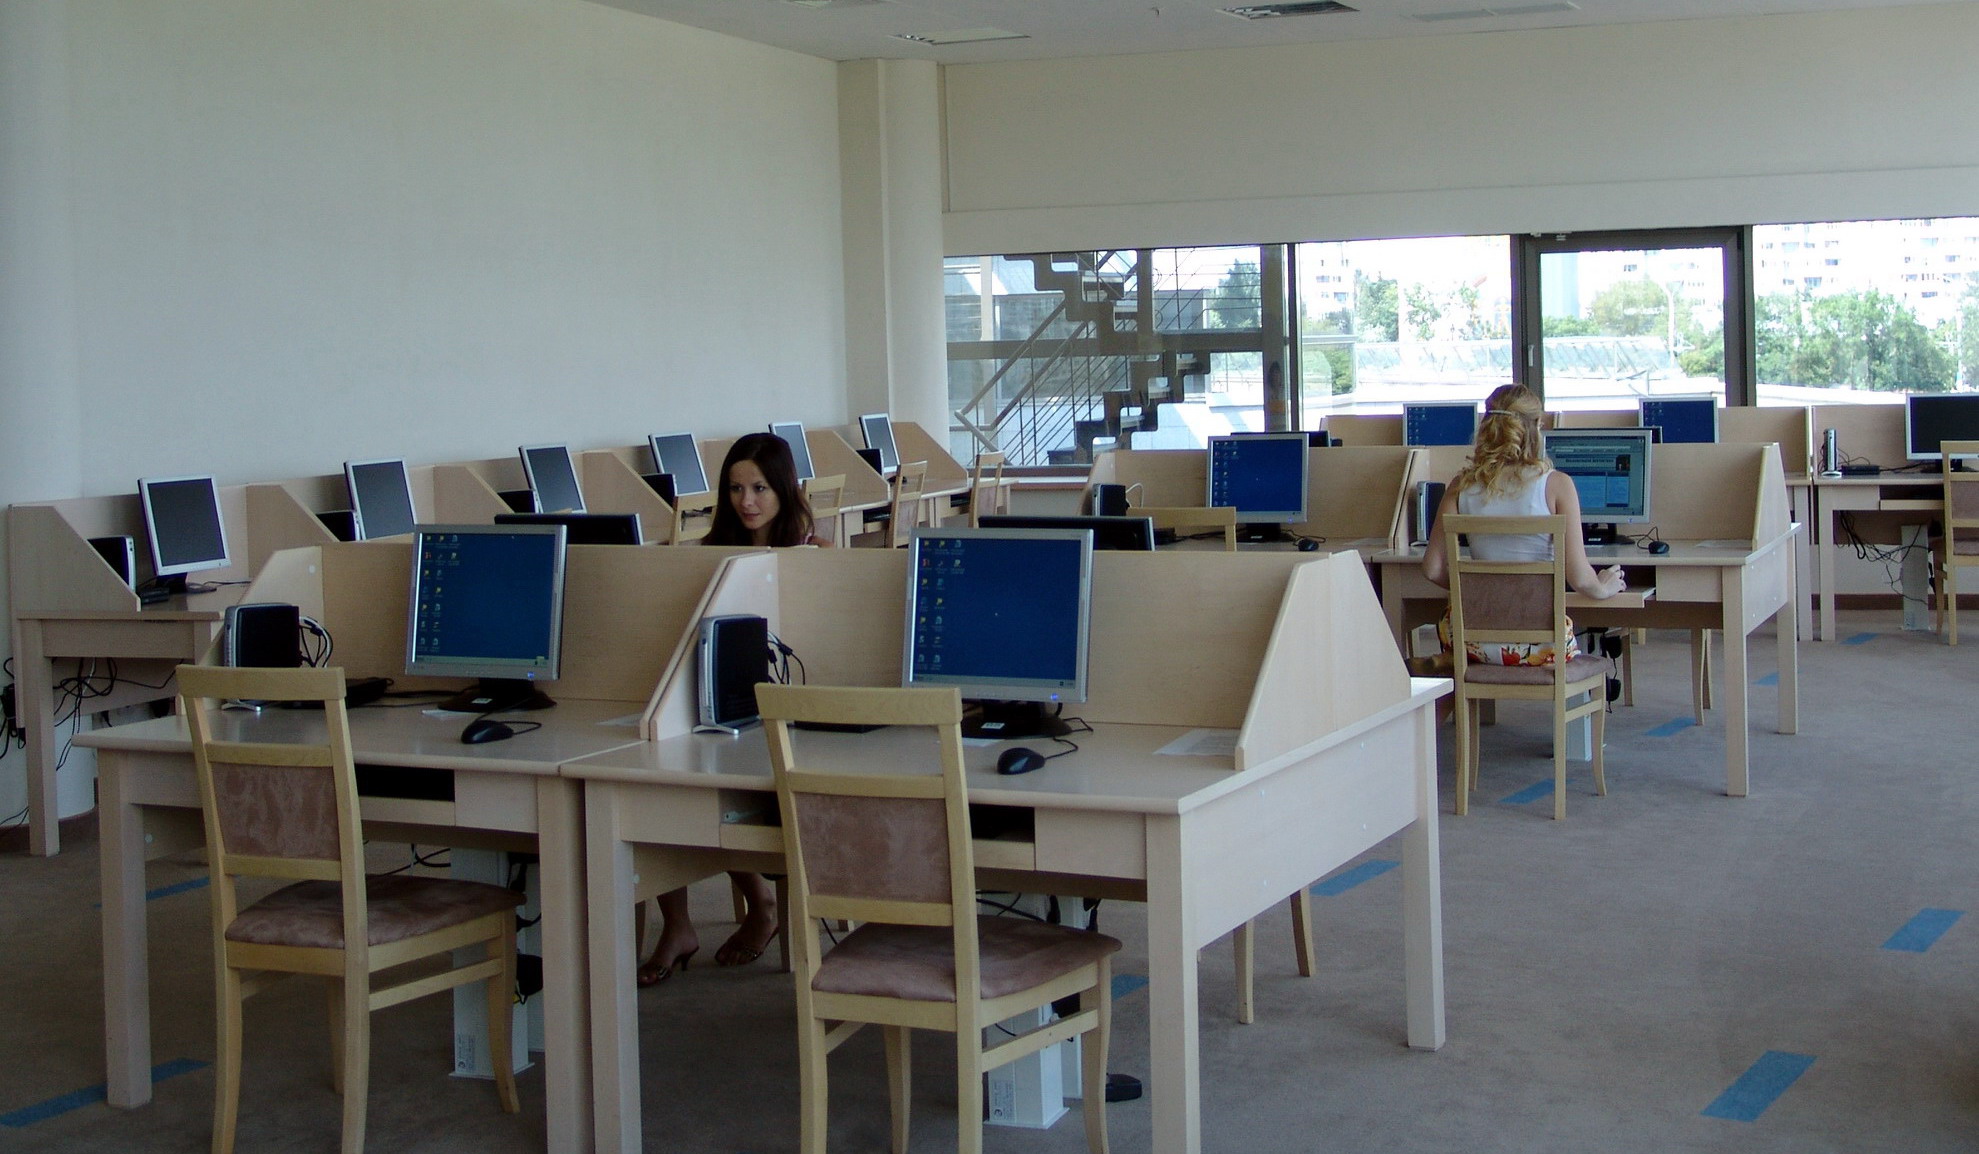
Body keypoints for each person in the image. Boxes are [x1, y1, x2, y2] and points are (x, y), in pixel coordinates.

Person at [638, 432, 825, 986]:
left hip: (790, 711)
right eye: (736, 488)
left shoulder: (813, 553)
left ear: (784, 488)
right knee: (662, 785)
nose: (747, 501)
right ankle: (679, 925)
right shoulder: (708, 556)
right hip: (718, 708)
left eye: (760, 488)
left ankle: (762, 904)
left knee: (727, 798)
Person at [1420, 384, 1626, 670]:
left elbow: (1431, 569)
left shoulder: (1460, 486)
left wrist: (1481, 591)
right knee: (1571, 652)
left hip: (1471, 643)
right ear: (1536, 427)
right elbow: (1580, 578)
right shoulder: (1557, 485)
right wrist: (1604, 587)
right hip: (1540, 645)